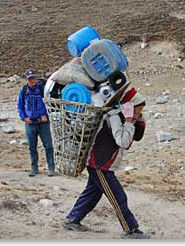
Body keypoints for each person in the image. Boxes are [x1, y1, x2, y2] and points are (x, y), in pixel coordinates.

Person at [62, 87, 150, 239]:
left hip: (99, 164)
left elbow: (138, 136)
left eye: (140, 111)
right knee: (118, 197)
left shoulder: (125, 117)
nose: (138, 114)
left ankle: (72, 219)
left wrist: (136, 119)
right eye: (137, 110)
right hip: (99, 165)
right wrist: (129, 120)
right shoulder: (114, 117)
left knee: (91, 194)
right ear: (128, 106)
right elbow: (122, 141)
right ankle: (130, 229)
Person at [17, 69, 55, 177]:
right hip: (30, 123)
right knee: (32, 147)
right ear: (26, 79)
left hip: (43, 123)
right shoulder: (23, 90)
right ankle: (34, 168)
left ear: (36, 78)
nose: (32, 80)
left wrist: (47, 115)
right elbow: (20, 106)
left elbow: (51, 103)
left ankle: (51, 168)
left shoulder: (43, 89)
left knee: (48, 146)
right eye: (29, 79)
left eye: (33, 78)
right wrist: (24, 118)